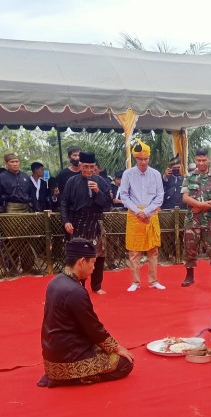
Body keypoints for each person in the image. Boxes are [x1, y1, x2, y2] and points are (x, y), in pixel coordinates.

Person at [37, 238, 135, 388]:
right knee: (125, 363)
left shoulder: (55, 282)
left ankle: (63, 376)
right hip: (67, 359)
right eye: (93, 263)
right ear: (82, 261)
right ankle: (72, 379)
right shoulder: (75, 291)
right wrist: (116, 347)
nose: (94, 268)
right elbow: (93, 327)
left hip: (53, 356)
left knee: (105, 350)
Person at [117, 140, 166, 291]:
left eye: (146, 159)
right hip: (134, 214)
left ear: (149, 158)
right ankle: (135, 282)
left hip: (151, 214)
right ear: (136, 159)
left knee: (153, 250)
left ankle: (153, 281)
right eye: (140, 159)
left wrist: (148, 211)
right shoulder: (128, 174)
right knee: (134, 250)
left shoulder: (156, 174)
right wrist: (137, 211)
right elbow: (124, 196)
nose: (143, 162)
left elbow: (160, 196)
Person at [60, 151, 112, 294]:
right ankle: (78, 286)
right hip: (77, 222)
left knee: (98, 257)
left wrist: (97, 191)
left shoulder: (101, 181)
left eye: (92, 167)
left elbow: (107, 204)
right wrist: (66, 221)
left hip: (96, 221)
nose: (89, 170)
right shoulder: (72, 182)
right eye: (86, 166)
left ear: (95, 167)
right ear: (81, 165)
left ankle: (96, 286)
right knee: (79, 257)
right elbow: (63, 202)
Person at [180, 148, 211, 287]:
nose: (201, 163)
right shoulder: (188, 178)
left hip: (210, 220)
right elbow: (185, 197)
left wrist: (204, 206)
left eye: (204, 160)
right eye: (198, 160)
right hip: (192, 220)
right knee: (190, 248)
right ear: (195, 160)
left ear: (208, 159)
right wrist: (200, 204)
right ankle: (189, 276)